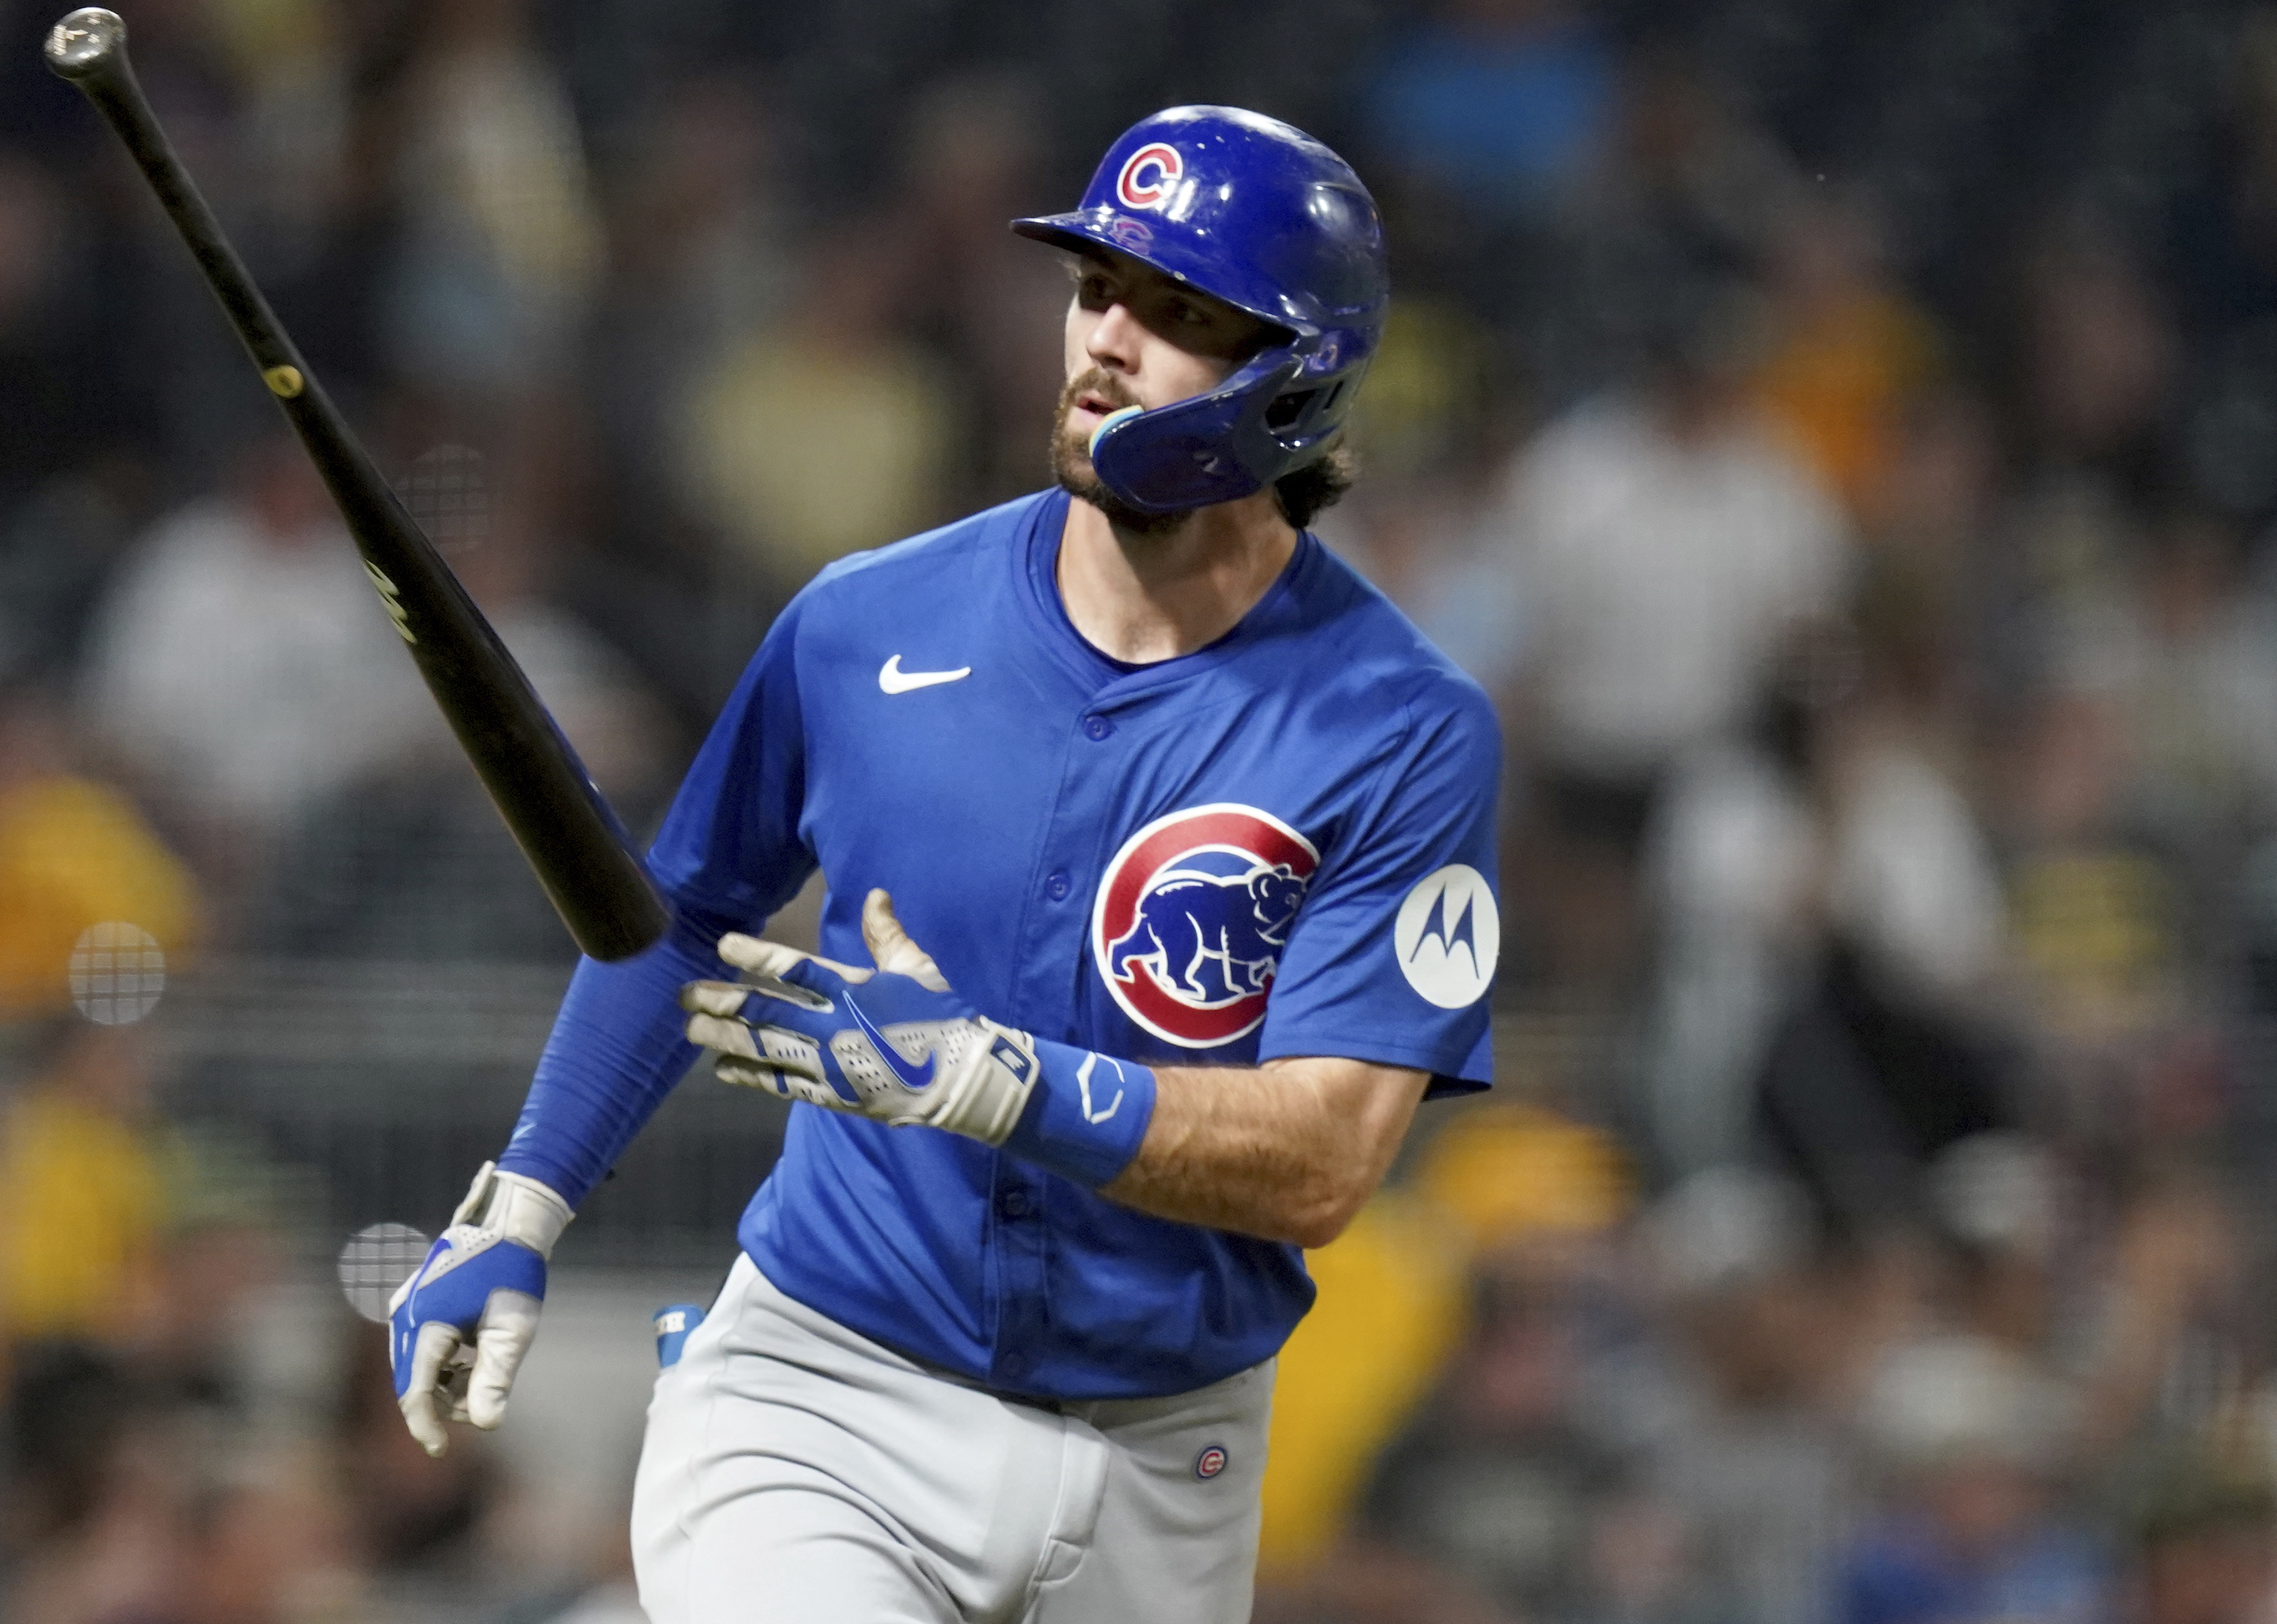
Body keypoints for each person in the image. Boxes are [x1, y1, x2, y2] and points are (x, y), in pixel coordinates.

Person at [387, 106, 1504, 1623]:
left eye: (1176, 313)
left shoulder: (1399, 725)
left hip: (1165, 1463)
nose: (1105, 341)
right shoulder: (864, 620)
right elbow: (684, 917)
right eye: (1094, 288)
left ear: (1295, 377)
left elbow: (1324, 1160)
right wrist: (522, 1198)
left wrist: (995, 1079)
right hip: (822, 1393)